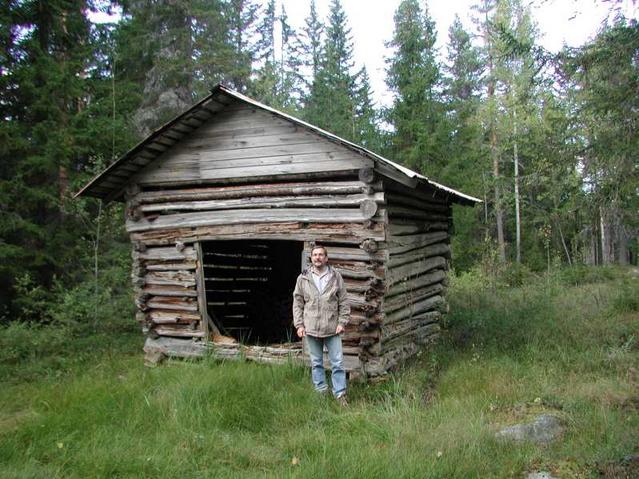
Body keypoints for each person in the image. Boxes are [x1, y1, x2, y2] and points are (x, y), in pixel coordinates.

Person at [293, 245, 350, 404]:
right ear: (311, 258)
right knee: (316, 363)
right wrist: (299, 325)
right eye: (315, 255)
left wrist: (342, 322)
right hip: (311, 328)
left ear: (326, 258)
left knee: (337, 362)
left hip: (332, 327)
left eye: (321, 255)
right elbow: (297, 302)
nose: (317, 257)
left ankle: (340, 394)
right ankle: (321, 393)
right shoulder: (303, 277)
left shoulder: (335, 276)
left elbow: (344, 302)